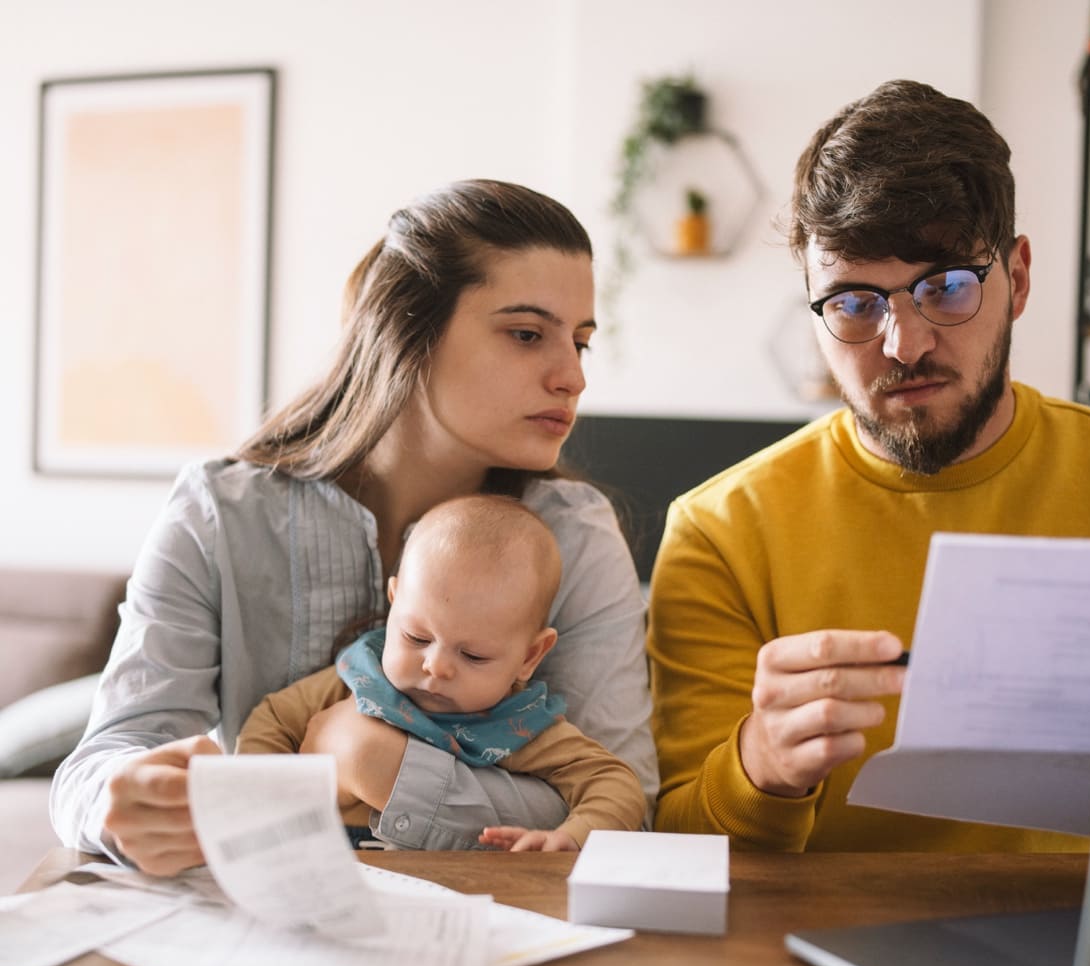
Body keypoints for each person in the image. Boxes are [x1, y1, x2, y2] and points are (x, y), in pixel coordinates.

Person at [648, 79, 1090, 853]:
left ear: (1021, 278)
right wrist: (761, 767)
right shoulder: (720, 533)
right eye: (852, 302)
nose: (903, 344)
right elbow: (674, 849)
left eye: (945, 286)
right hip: (819, 956)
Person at [50, 179, 658, 876]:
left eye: (580, 341)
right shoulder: (219, 513)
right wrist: (119, 803)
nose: (573, 376)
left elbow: (626, 803)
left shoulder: (575, 536)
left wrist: (374, 764)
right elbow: (97, 766)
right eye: (527, 335)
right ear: (407, 334)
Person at [236, 493, 646, 852]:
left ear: (530, 656)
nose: (436, 666)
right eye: (416, 637)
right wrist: (260, 807)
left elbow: (616, 785)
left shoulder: (519, 725)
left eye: (473, 656)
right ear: (394, 602)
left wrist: (573, 835)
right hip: (325, 865)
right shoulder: (360, 677)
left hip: (455, 883)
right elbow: (272, 720)